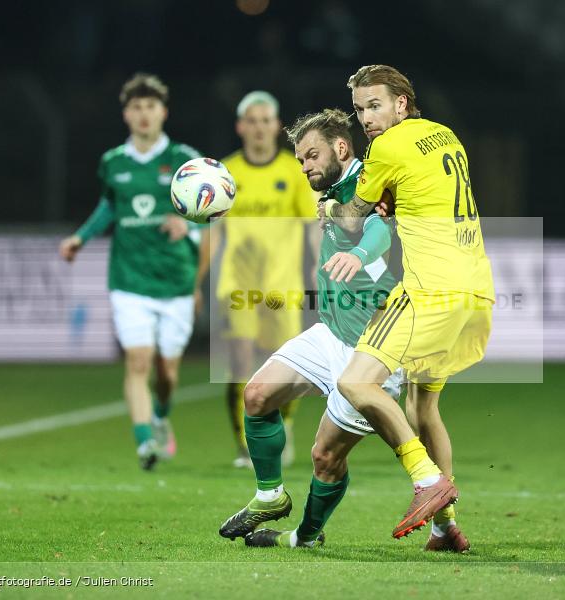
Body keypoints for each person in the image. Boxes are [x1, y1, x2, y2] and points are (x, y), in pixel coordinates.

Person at [323, 65, 495, 540]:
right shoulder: (444, 135)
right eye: (359, 110)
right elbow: (418, 194)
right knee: (423, 409)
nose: (366, 119)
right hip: (475, 288)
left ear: (402, 102)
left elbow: (353, 216)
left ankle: (426, 479)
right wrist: (392, 202)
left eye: (374, 105)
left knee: (355, 383)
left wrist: (328, 207)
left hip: (429, 290)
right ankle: (446, 529)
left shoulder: (387, 147)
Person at [218, 108, 404, 548]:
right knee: (257, 394)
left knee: (325, 458)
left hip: (373, 349)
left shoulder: (369, 183)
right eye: (300, 159)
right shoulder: (334, 190)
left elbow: (377, 229)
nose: (304, 167)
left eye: (311, 156)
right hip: (331, 332)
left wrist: (359, 255)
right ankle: (269, 495)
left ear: (341, 148)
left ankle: (303, 536)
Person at [59, 73, 202, 470]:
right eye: (136, 107)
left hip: (176, 278)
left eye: (150, 107)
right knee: (138, 361)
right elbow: (109, 206)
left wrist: (187, 223)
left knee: (167, 372)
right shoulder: (113, 162)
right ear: (126, 114)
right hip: (129, 280)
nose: (143, 114)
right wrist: (80, 238)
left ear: (163, 112)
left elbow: (214, 208)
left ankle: (160, 417)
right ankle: (145, 443)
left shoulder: (182, 159)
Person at [199, 91, 320, 469]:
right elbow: (212, 231)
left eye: (266, 121)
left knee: (285, 365)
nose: (259, 128)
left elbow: (312, 226)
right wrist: (196, 282)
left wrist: (319, 269)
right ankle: (246, 444)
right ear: (240, 127)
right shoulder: (224, 174)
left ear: (276, 126)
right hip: (238, 286)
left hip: (283, 287)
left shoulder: (293, 172)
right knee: (239, 362)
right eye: (251, 121)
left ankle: (283, 426)